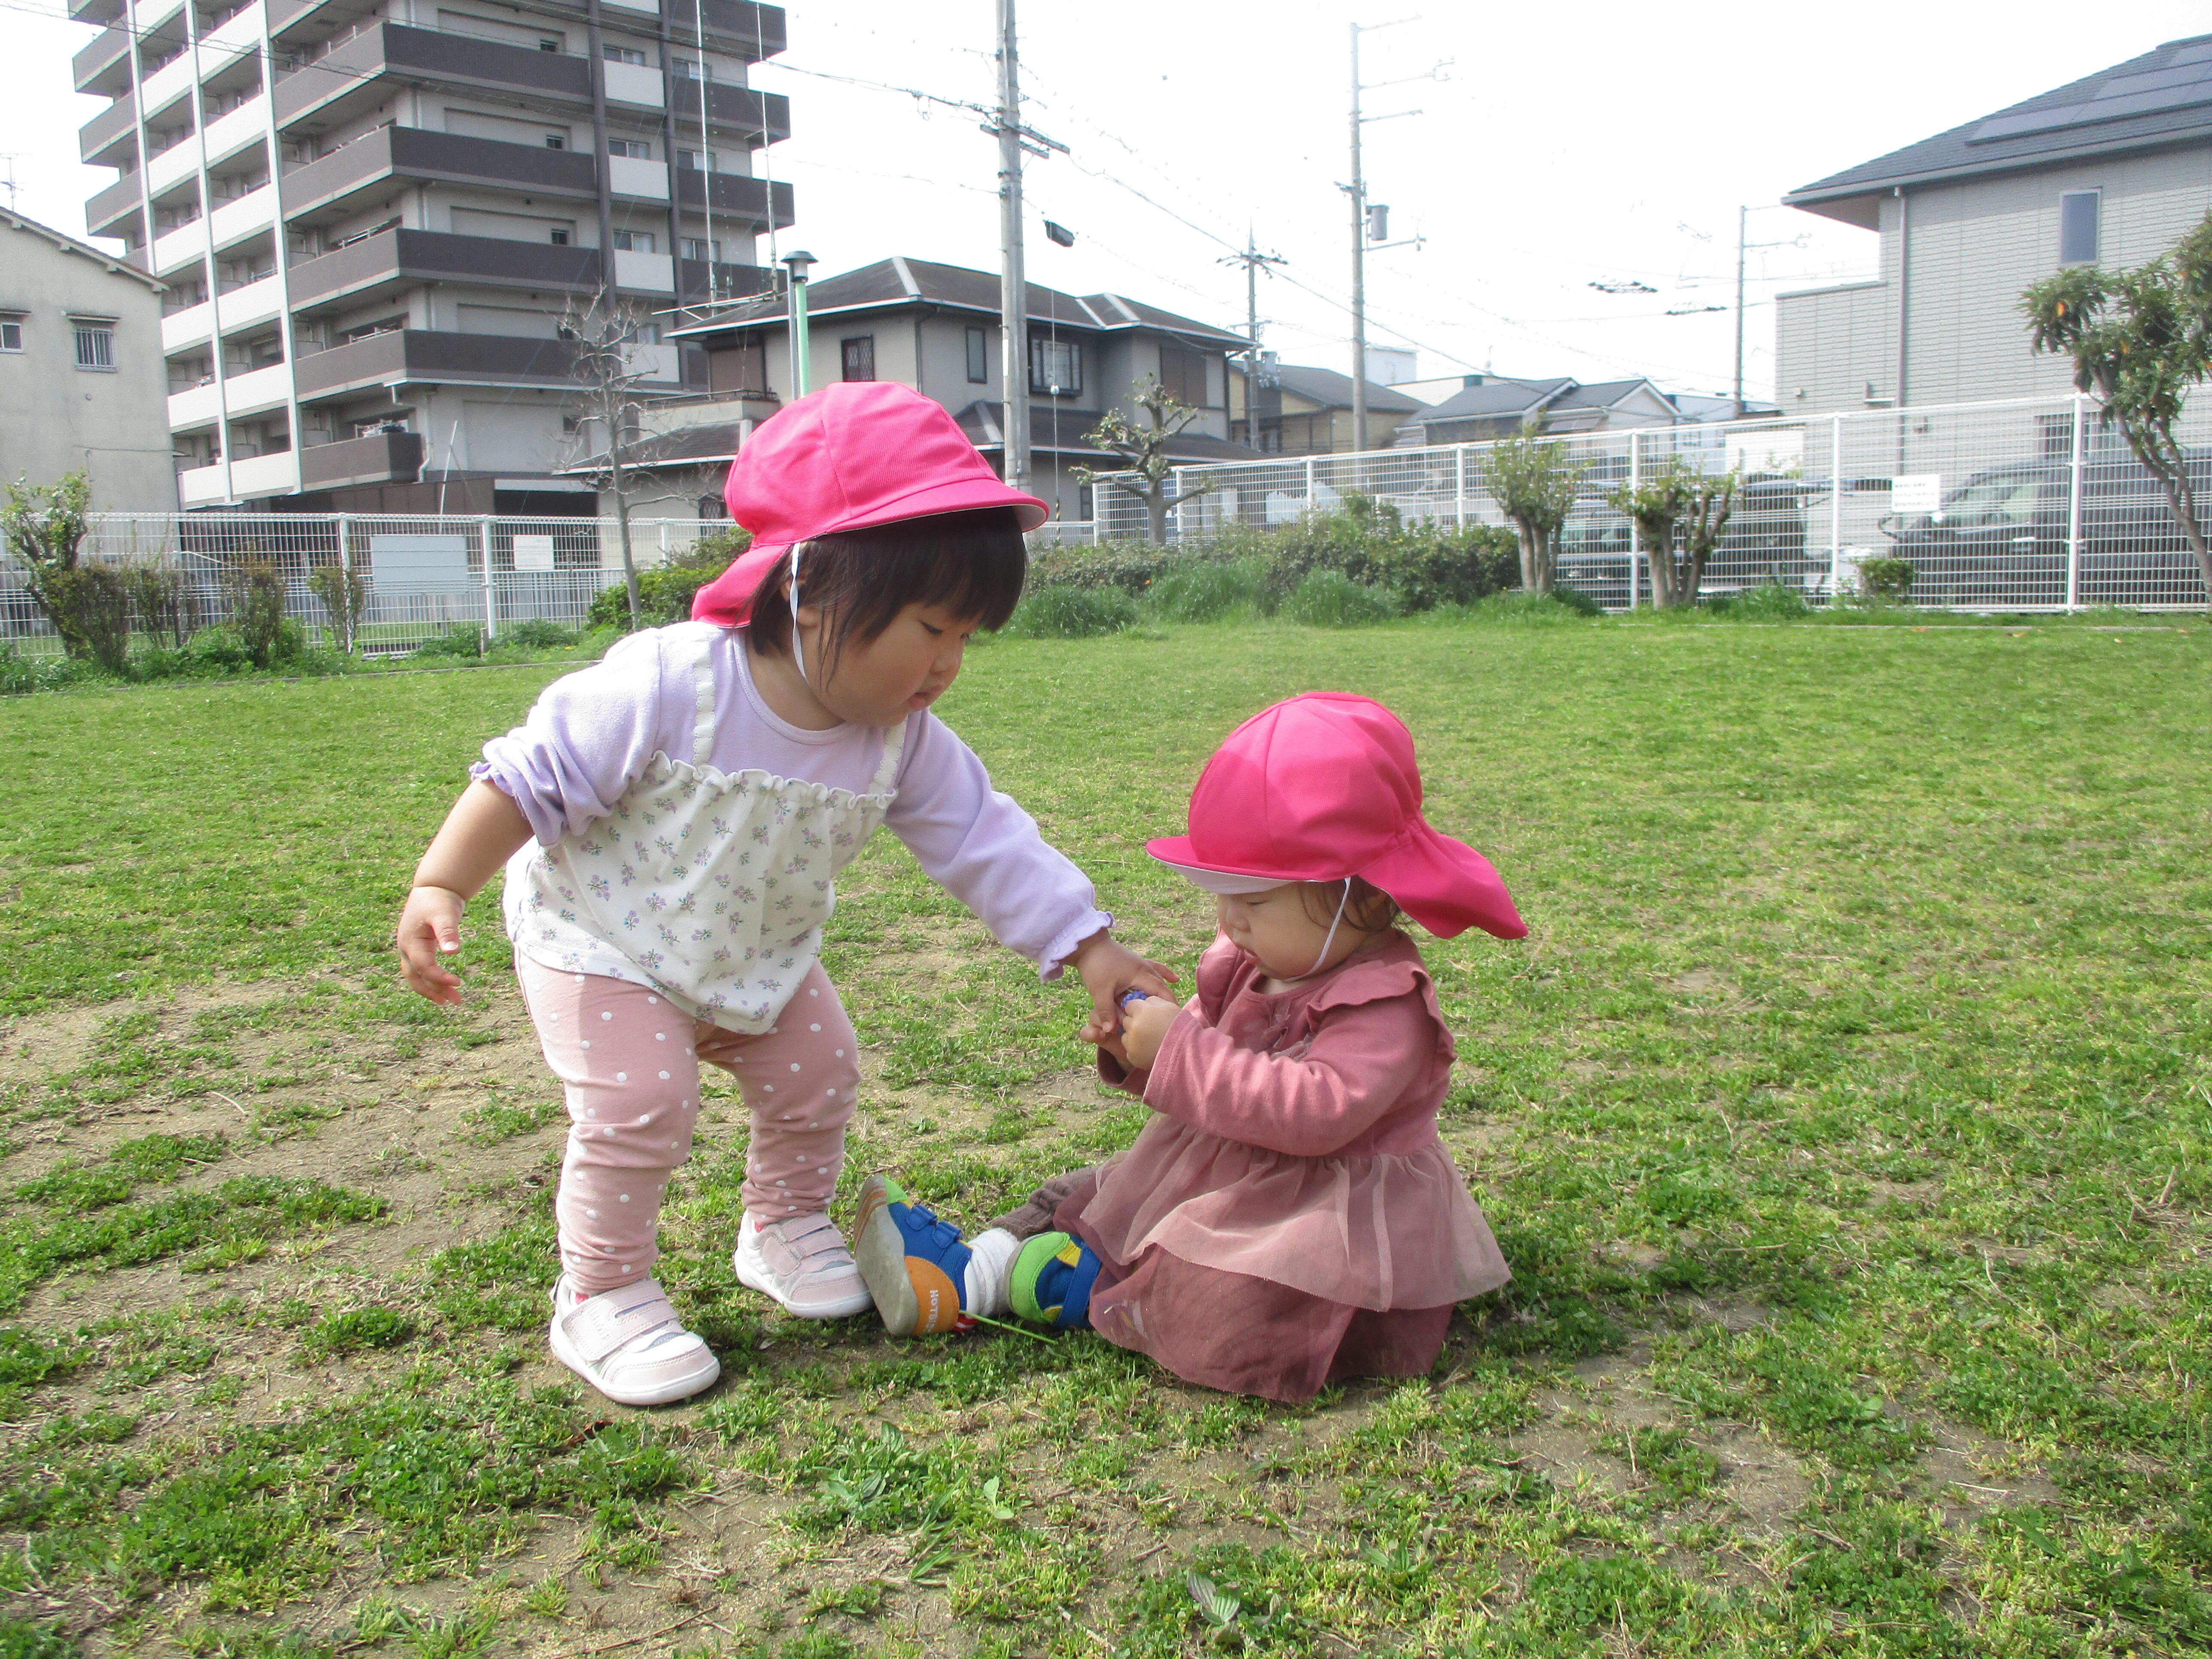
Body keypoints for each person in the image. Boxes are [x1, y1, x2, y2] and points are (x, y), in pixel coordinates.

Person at [393, 382, 1171, 1407]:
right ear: (810, 588)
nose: (945, 665)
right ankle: (602, 1291)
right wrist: (441, 880)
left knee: (818, 1072)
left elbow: (984, 838)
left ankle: (781, 1225)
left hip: (752, 953)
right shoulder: (672, 683)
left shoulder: (895, 737)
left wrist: (1089, 947)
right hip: (602, 938)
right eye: (930, 627)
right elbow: (527, 776)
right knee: (642, 1103)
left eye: (966, 638)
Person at [852, 692, 1524, 1403]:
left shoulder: (1385, 1001)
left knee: (1230, 1298)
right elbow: (1203, 1072)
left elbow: (1316, 1114)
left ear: (1360, 894)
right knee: (1098, 1192)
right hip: (1228, 1166)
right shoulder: (1249, 962)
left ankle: (1044, 1282)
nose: (1230, 919)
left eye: (1255, 900)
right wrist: (1142, 1050)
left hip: (1321, 1216)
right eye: (1221, 893)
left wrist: (1177, 1050)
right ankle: (971, 1267)